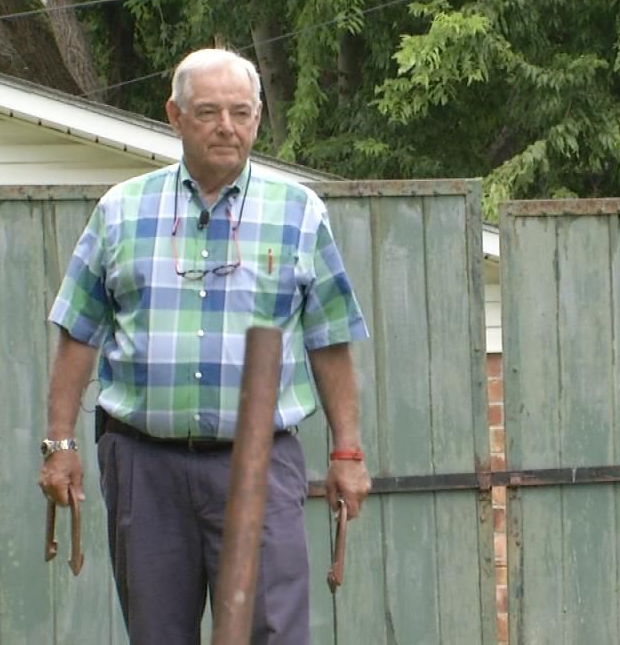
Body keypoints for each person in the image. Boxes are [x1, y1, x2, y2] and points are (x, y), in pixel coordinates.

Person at [37, 48, 371, 645]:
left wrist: (348, 453)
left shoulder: (298, 213)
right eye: (209, 111)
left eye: (241, 113)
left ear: (258, 118)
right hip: (146, 463)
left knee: (273, 631)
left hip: (263, 464)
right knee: (158, 633)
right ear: (175, 114)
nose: (227, 127)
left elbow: (330, 339)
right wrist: (59, 444)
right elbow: (77, 333)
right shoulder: (120, 211)